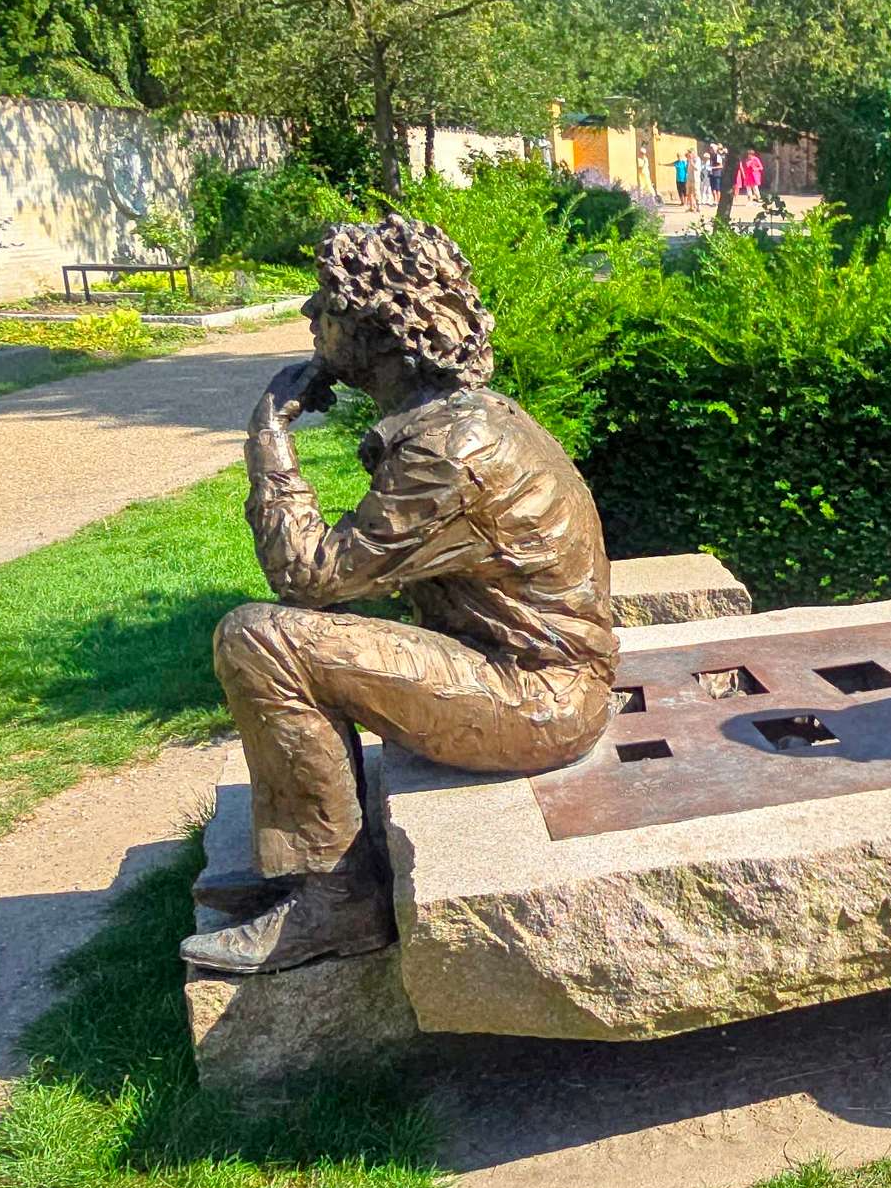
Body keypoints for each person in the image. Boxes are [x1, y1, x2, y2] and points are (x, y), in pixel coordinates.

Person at [182, 214, 618, 975]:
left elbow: (306, 576)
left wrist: (270, 437)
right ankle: (314, 863)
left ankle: (336, 901)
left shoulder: (454, 450)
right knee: (298, 637)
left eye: (327, 302)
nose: (309, 313)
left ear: (380, 331)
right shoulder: (457, 420)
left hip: (538, 699)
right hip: (514, 671)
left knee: (261, 638)